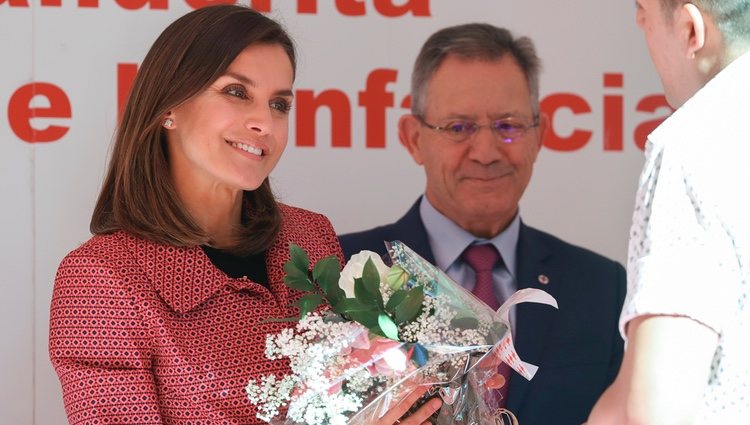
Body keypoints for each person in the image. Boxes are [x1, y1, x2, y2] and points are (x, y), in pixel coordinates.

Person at [48, 6, 439, 425]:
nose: (265, 123)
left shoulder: (310, 235)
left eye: (279, 104)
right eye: (237, 92)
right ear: (168, 107)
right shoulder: (101, 278)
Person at [339, 23, 627, 425]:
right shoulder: (343, 269)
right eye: (459, 127)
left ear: (538, 136)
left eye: (508, 126)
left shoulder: (601, 287)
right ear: (413, 138)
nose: (487, 152)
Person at [586, 1, 750, 424]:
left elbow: (654, 405)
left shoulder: (697, 143)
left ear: (690, 29)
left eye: (643, 8)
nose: (638, 21)